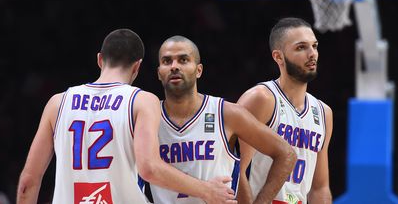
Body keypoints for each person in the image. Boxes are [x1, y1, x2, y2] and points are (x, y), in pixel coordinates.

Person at [16, 29, 239, 204]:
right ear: (137, 67)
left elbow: (28, 181)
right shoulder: (141, 100)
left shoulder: (58, 103)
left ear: (100, 60)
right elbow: (149, 168)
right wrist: (207, 191)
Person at [149, 35, 297, 204]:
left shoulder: (226, 113)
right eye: (167, 61)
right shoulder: (147, 117)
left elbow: (286, 154)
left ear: (199, 70)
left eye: (183, 60)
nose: (174, 66)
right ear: (159, 73)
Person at [237, 17, 333, 204]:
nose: (312, 54)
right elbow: (233, 169)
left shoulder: (323, 112)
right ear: (278, 57)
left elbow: (319, 187)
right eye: (301, 47)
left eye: (314, 46)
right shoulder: (261, 99)